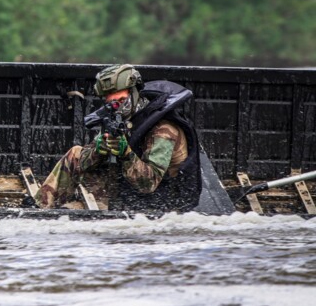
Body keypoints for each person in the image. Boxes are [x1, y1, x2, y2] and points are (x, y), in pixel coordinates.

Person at [34, 64, 202, 212]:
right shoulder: (120, 118)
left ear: (135, 93)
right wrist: (98, 150)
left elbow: (148, 184)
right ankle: (39, 208)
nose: (117, 108)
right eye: (112, 103)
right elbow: (84, 162)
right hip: (129, 190)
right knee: (76, 154)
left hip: (163, 201)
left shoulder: (163, 130)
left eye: (121, 100)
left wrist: (125, 153)